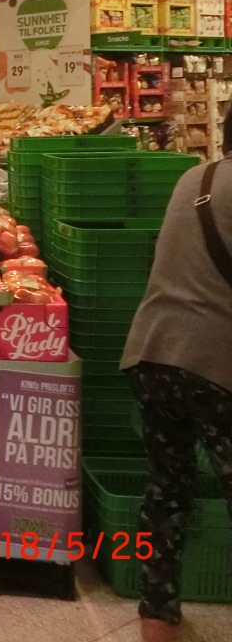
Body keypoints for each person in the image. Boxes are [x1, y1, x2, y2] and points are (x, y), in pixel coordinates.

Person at [121, 109, 232, 642]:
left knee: (166, 490)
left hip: (154, 351)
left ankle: (156, 617)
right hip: (216, 362)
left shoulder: (196, 177)